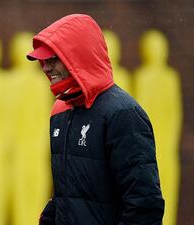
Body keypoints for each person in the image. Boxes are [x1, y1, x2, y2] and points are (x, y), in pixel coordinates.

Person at [26, 14, 164, 225]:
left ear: (77, 56)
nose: (45, 67)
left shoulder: (123, 114)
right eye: (43, 61)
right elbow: (68, 193)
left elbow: (144, 204)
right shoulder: (60, 111)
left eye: (53, 59)